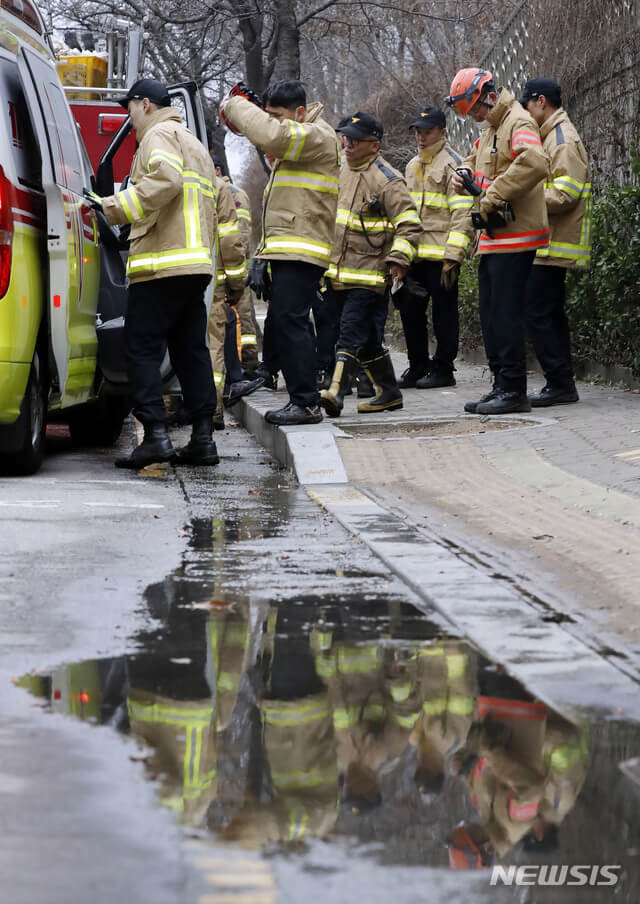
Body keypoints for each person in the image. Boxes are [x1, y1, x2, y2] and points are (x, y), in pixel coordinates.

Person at [95, 78, 219, 467]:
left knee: (141, 347)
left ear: (145, 104)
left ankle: (155, 436)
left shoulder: (157, 135)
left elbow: (166, 180)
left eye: (129, 107)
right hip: (194, 265)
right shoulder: (192, 143)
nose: (128, 116)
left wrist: (113, 206)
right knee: (190, 350)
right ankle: (202, 438)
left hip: (161, 264)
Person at [220, 80, 340, 425]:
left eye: (277, 116)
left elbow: (274, 136)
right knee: (285, 322)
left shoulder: (318, 135)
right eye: (268, 115)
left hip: (303, 249)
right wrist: (263, 253)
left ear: (300, 113)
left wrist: (235, 106)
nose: (272, 122)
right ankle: (301, 399)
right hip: (291, 248)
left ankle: (305, 403)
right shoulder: (300, 140)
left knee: (291, 322)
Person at [446, 68, 549, 415]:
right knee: (491, 316)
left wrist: (491, 194)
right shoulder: (492, 127)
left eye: (475, 109)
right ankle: (501, 384)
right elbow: (474, 160)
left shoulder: (518, 122)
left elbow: (534, 162)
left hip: (516, 235)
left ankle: (513, 390)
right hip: (495, 235)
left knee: (505, 315)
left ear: (489, 96)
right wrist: (464, 172)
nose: (474, 116)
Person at [320, 113, 421, 417]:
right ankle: (389, 393)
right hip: (337, 275)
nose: (347, 144)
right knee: (366, 343)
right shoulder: (339, 172)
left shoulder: (388, 180)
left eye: (355, 140)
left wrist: (398, 261)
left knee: (349, 334)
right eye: (345, 138)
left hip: (369, 277)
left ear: (374, 145)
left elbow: (409, 225)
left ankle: (335, 392)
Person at [520, 78, 591, 407]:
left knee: (537, 312)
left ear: (541, 102)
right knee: (548, 313)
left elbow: (566, 192)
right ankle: (561, 382)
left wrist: (524, 198)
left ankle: (560, 383)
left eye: (527, 104)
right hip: (548, 241)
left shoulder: (561, 139)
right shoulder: (551, 135)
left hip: (553, 243)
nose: (525, 112)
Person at [400, 108, 474, 389]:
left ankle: (444, 368)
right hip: (415, 255)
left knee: (444, 314)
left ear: (443, 132)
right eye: (418, 132)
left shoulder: (453, 165)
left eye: (427, 131)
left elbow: (462, 213)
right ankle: (418, 365)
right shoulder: (411, 166)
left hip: (441, 256)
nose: (421, 137)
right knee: (410, 312)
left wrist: (453, 257)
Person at [209, 174, 262, 429]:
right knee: (219, 336)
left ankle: (241, 372)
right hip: (215, 279)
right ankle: (214, 407)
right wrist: (237, 281)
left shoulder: (229, 193)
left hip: (185, 278)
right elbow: (234, 241)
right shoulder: (223, 191)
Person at [213, 157, 261, 373]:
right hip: (222, 266)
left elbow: (240, 234)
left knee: (242, 315)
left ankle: (248, 363)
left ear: (218, 170)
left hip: (235, 265)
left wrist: (236, 267)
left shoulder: (234, 194)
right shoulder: (214, 191)